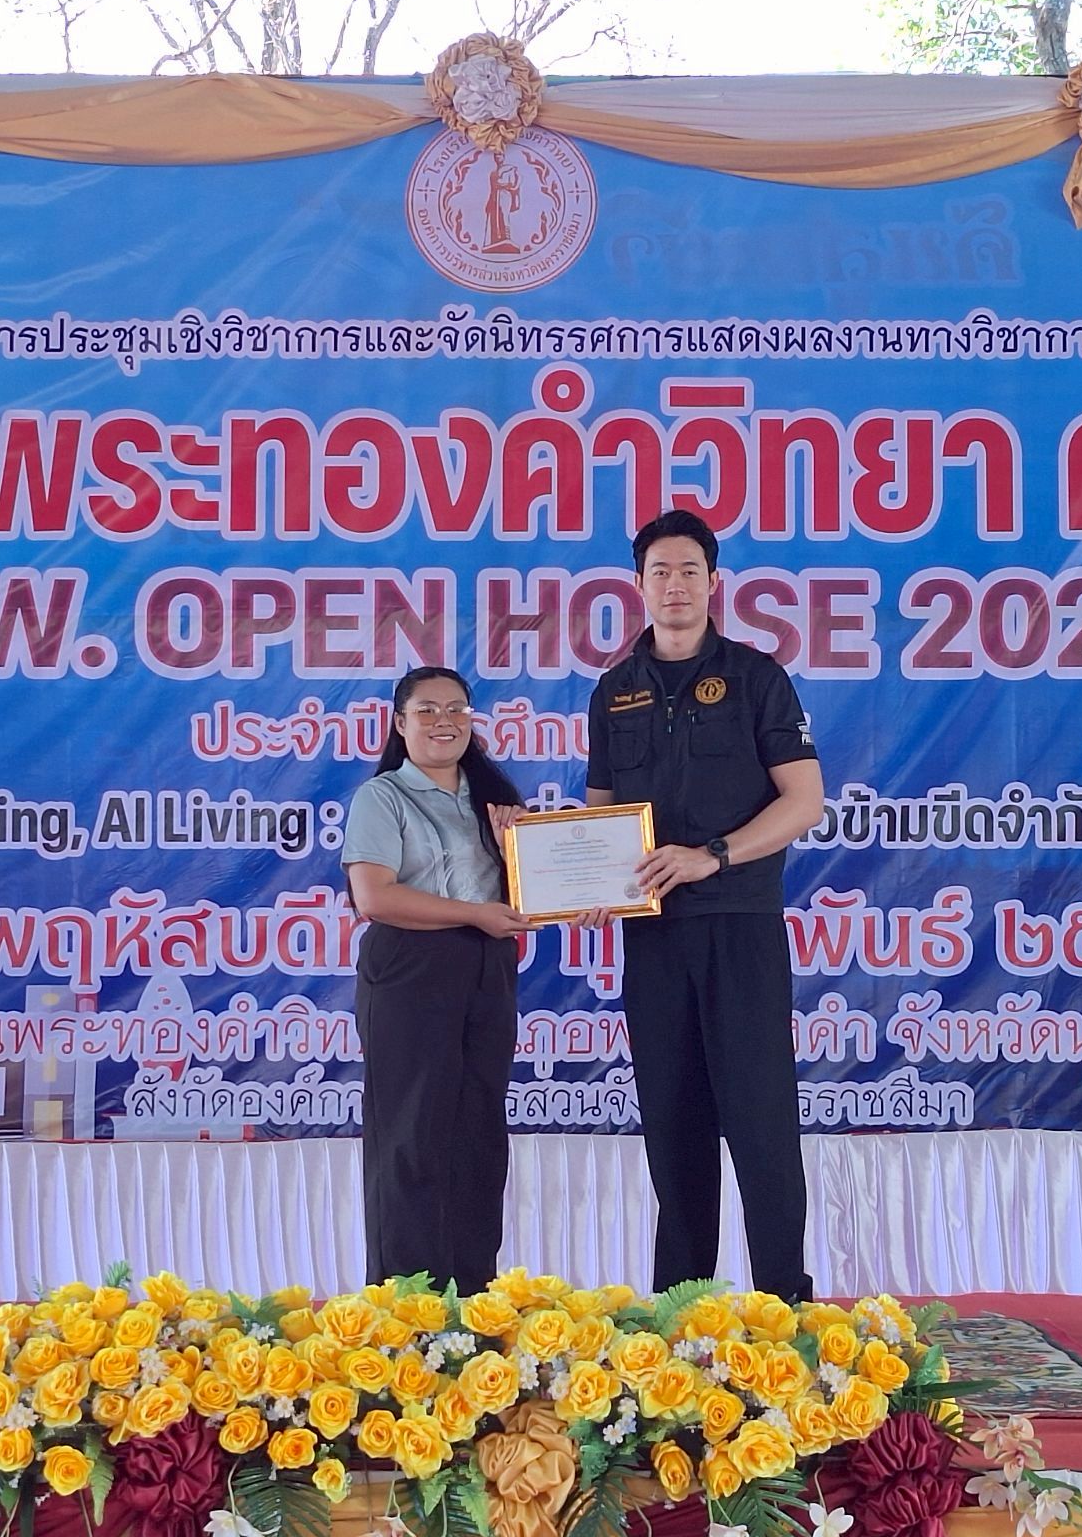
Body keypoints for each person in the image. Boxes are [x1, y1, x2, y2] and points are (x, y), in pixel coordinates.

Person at [584, 509, 825, 1301]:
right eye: (660, 571)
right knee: (673, 1125)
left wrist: (712, 854)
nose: (676, 585)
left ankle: (785, 1306)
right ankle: (679, 1311)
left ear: (715, 582)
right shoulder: (614, 691)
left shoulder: (757, 677)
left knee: (760, 1122)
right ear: (639, 585)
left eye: (690, 570)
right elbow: (601, 813)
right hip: (654, 936)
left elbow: (804, 801)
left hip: (738, 925)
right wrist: (586, 885)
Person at [342, 666, 531, 1292]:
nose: (443, 721)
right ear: (400, 723)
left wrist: (520, 855)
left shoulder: (495, 801)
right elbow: (375, 897)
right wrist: (475, 914)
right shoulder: (383, 798)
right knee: (412, 1135)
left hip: (487, 966)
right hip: (410, 968)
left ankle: (474, 1298)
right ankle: (408, 1304)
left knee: (479, 1134)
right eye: (426, 710)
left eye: (457, 709)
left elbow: (532, 897)